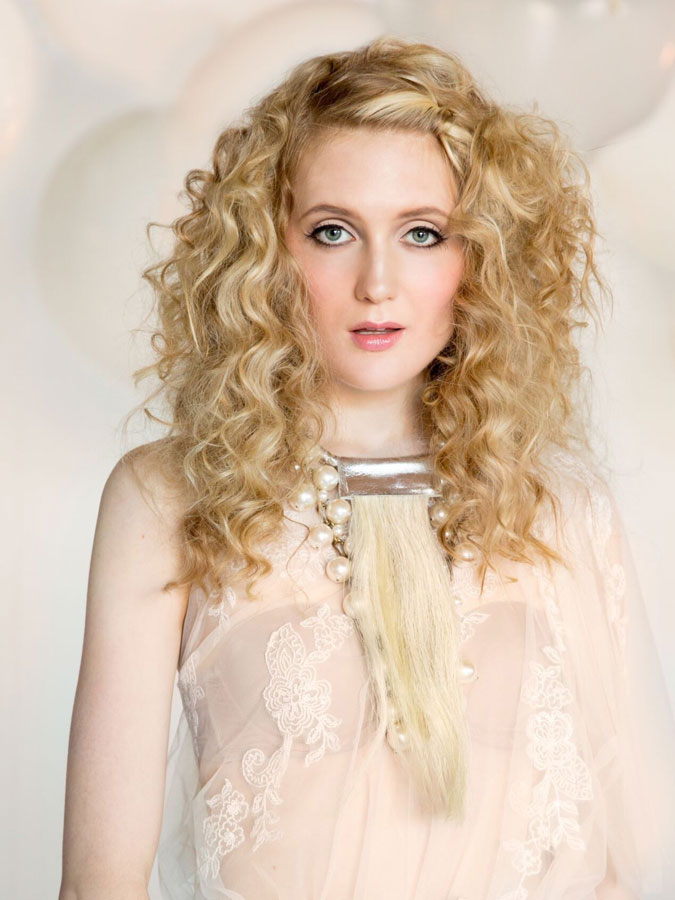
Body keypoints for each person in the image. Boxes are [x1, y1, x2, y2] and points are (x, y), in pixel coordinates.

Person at [59, 35, 675, 900]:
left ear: (479, 257)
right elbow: (98, 885)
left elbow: (624, 865)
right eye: (333, 232)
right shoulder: (169, 497)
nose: (377, 282)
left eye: (422, 233)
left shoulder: (554, 505)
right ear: (268, 252)